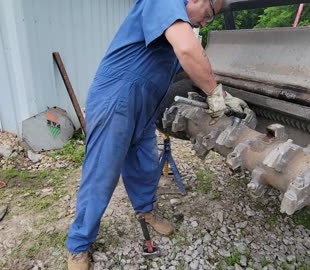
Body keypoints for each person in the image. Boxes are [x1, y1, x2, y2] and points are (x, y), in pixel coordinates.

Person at [66, 0, 248, 269]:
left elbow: (185, 65)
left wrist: (219, 90)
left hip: (143, 105)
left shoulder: (174, 28)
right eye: (208, 15)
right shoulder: (164, 2)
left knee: (144, 164)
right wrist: (214, 93)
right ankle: (79, 245)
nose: (205, 23)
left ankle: (146, 210)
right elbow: (187, 49)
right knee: (102, 173)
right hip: (116, 100)